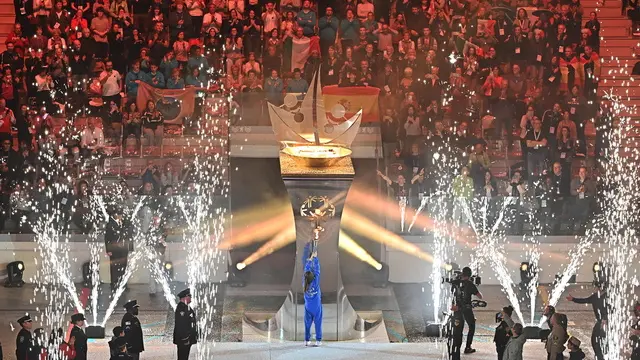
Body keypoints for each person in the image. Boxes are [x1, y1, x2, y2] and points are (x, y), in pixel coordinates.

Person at [566, 281, 608, 360]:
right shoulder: (595, 297)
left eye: (597, 287)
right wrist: (573, 299)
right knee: (594, 340)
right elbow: (585, 300)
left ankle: (602, 355)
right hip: (600, 322)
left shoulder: (607, 297)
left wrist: (605, 319)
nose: (595, 289)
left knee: (603, 340)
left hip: (606, 322)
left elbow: (611, 309)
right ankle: (599, 356)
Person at [303, 238, 322, 346]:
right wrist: (315, 258)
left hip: (308, 307)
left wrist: (310, 260)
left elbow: (307, 271)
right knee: (318, 323)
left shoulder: (304, 284)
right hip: (317, 308)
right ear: (313, 277)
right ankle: (318, 340)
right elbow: (317, 270)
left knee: (307, 324)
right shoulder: (315, 282)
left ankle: (307, 340)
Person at [459, 266, 482, 354]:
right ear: (470, 275)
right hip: (466, 309)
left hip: (457, 309)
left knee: (458, 328)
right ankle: (468, 347)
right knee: (471, 326)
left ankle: (457, 346)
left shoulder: (458, 283)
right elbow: (480, 296)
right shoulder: (470, 284)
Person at [105, 209, 130, 292]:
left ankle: (123, 283)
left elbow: (128, 235)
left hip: (123, 248)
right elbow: (107, 238)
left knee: (123, 266)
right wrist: (108, 249)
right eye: (119, 215)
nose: (121, 217)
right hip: (114, 249)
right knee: (115, 266)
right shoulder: (110, 224)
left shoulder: (124, 224)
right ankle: (114, 283)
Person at [174, 288, 197, 360]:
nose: (191, 298)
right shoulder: (182, 309)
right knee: (182, 357)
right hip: (184, 339)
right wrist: (185, 338)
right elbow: (181, 325)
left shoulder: (186, 308)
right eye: (190, 296)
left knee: (185, 356)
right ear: (185, 297)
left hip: (187, 338)